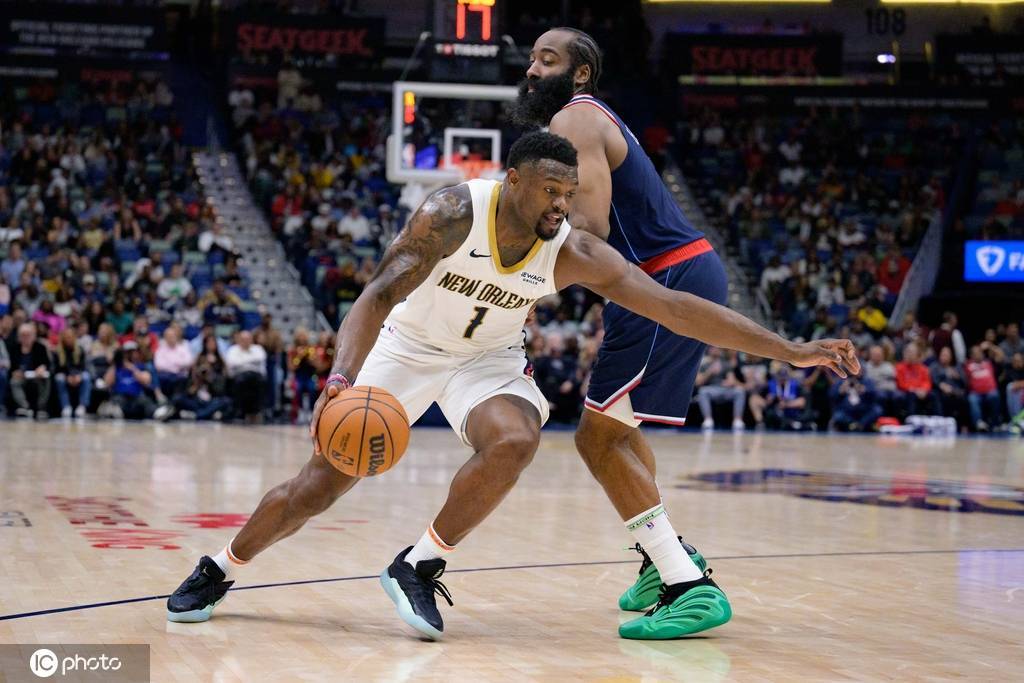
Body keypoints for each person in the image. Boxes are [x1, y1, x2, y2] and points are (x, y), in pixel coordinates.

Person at [165, 133, 859, 640]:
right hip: (408, 346)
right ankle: (221, 567)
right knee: (318, 485)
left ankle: (419, 564)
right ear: (514, 180)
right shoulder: (450, 214)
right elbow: (375, 296)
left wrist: (789, 350)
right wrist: (342, 377)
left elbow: (675, 307)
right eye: (550, 190)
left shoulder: (572, 250)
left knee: (516, 439)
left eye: (570, 192)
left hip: (487, 358)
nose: (562, 203)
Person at [510, 27, 760, 636]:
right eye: (531, 60)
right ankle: (664, 557)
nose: (532, 71)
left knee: (596, 441)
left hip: (662, 278)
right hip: (661, 278)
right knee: (615, 431)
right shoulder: (584, 121)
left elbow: (589, 228)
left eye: (547, 60)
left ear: (580, 74)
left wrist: (519, 281)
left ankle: (688, 587)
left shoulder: (576, 118)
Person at [695, 347, 746, 430]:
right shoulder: (704, 364)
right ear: (709, 350)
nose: (716, 350)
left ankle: (737, 420)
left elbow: (731, 379)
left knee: (739, 391)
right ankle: (708, 420)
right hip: (711, 389)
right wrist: (710, 372)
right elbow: (698, 382)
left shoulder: (725, 363)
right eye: (713, 348)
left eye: (718, 348)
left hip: (725, 390)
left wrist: (729, 382)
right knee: (703, 391)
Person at [8, 322, 51, 419]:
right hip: (21, 376)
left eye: (28, 335)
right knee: (14, 382)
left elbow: (47, 364)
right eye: (23, 335)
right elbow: (12, 367)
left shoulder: (40, 347)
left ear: (33, 336)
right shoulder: (14, 348)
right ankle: (23, 406)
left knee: (45, 380)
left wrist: (42, 368)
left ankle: (41, 407)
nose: (25, 337)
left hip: (36, 375)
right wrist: (15, 372)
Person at [224, 330, 267, 422]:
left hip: (256, 376)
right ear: (239, 340)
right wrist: (251, 362)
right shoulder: (233, 349)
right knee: (241, 381)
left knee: (259, 382)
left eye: (248, 339)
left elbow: (260, 358)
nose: (246, 342)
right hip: (239, 376)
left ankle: (256, 412)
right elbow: (232, 363)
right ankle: (239, 412)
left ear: (251, 340)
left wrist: (243, 362)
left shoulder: (258, 349)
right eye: (243, 339)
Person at [53, 327, 92, 418]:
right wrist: (67, 376)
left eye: (70, 337)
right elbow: (56, 369)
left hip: (77, 375)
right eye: (66, 337)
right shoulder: (57, 351)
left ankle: (82, 406)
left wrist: (77, 376)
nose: (68, 339)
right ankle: (66, 406)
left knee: (86, 376)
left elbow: (83, 366)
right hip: (64, 375)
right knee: (59, 378)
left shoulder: (80, 350)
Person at [964, 345, 1001, 431]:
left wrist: (990, 346)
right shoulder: (967, 365)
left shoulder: (988, 362)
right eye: (976, 353)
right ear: (971, 355)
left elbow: (1000, 356)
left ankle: (995, 423)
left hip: (990, 391)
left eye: (980, 352)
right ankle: (979, 424)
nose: (979, 354)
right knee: (972, 399)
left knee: (994, 395)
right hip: (976, 393)